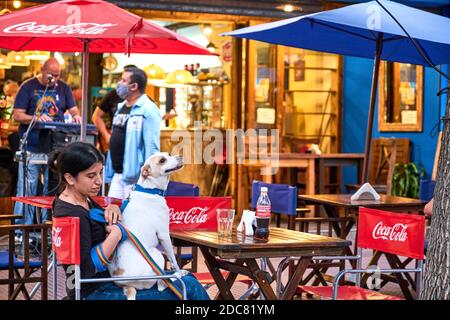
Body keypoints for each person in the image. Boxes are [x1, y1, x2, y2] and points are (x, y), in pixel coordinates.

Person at [50, 142, 209, 300]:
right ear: (70, 178)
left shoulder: (81, 200)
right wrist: (115, 235)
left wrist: (111, 208)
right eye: (91, 176)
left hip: (112, 280)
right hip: (94, 292)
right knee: (189, 286)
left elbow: (99, 224)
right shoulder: (70, 214)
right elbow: (83, 271)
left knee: (188, 278)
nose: (99, 181)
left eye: (100, 173)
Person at [12, 57, 81, 237]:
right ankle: (22, 230)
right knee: (28, 187)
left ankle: (47, 227)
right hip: (33, 145)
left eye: (58, 75)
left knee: (51, 188)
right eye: (52, 75)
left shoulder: (64, 88)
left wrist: (75, 116)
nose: (55, 79)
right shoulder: (28, 87)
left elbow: (73, 109)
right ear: (43, 71)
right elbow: (17, 115)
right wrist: (35, 119)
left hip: (55, 147)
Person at [105, 67, 161, 199]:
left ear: (134, 86)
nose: (119, 83)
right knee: (112, 215)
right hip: (117, 174)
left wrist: (148, 175)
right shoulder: (121, 107)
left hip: (135, 178)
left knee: (131, 216)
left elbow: (152, 146)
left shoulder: (148, 109)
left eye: (123, 80)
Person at [91, 65, 137, 154]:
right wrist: (106, 136)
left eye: (124, 80)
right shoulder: (113, 95)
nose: (120, 82)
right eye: (121, 78)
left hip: (134, 145)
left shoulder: (144, 101)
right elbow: (96, 117)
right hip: (116, 143)